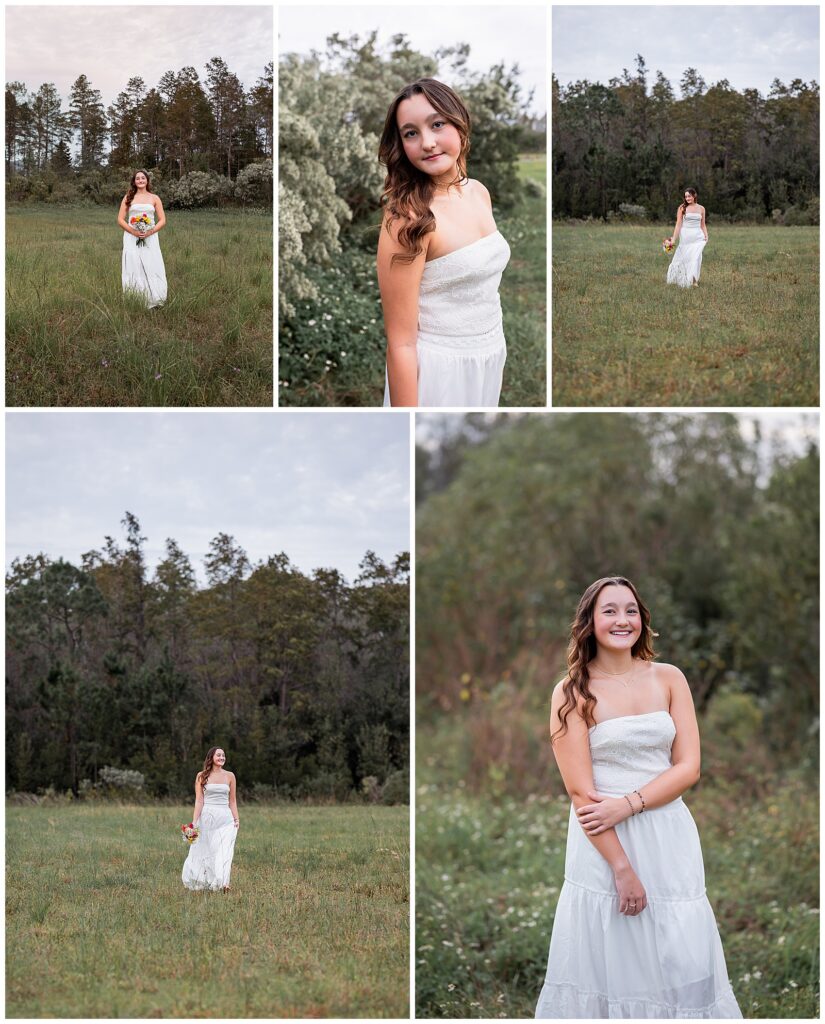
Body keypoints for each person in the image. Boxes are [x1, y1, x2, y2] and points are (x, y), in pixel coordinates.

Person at [535, 576, 741, 1018]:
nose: (622, 620)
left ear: (642, 620)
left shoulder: (669, 679)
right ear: (589, 622)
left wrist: (630, 803)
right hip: (605, 841)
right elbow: (579, 792)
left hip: (668, 833)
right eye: (609, 611)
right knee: (617, 953)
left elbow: (688, 767)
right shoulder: (571, 692)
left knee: (682, 952)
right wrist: (622, 868)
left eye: (630, 610)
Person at [377, 78, 510, 408]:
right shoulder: (408, 217)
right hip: (439, 372)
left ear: (459, 124)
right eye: (411, 133)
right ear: (401, 145)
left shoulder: (479, 192)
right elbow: (401, 344)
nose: (427, 142)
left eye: (437, 124)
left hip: (489, 354)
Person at [182, 746, 239, 892]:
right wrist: (194, 822)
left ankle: (224, 882)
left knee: (225, 850)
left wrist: (236, 819)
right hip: (207, 817)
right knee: (206, 850)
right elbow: (199, 801)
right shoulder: (201, 775)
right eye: (218, 755)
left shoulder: (230, 776)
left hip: (225, 818)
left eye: (223, 755)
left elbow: (232, 801)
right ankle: (208, 880)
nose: (222, 757)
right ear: (211, 758)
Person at [118, 169, 167, 308]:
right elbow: (120, 219)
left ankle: (155, 298)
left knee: (151, 262)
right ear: (134, 181)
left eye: (143, 178)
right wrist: (133, 232)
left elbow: (162, 220)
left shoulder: (154, 198)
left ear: (147, 181)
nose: (140, 180)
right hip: (131, 236)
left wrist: (150, 231)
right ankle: (135, 297)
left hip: (150, 236)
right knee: (134, 264)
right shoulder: (128, 197)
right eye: (137, 178)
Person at [666, 187, 708, 288]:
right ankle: (679, 277)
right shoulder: (682, 208)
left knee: (696, 258)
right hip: (686, 236)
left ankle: (694, 281)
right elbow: (678, 224)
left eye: (689, 196)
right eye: (686, 196)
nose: (687, 198)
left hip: (698, 236)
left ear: (694, 196)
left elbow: (703, 224)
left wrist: (706, 235)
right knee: (684, 258)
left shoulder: (701, 208)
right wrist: (673, 239)